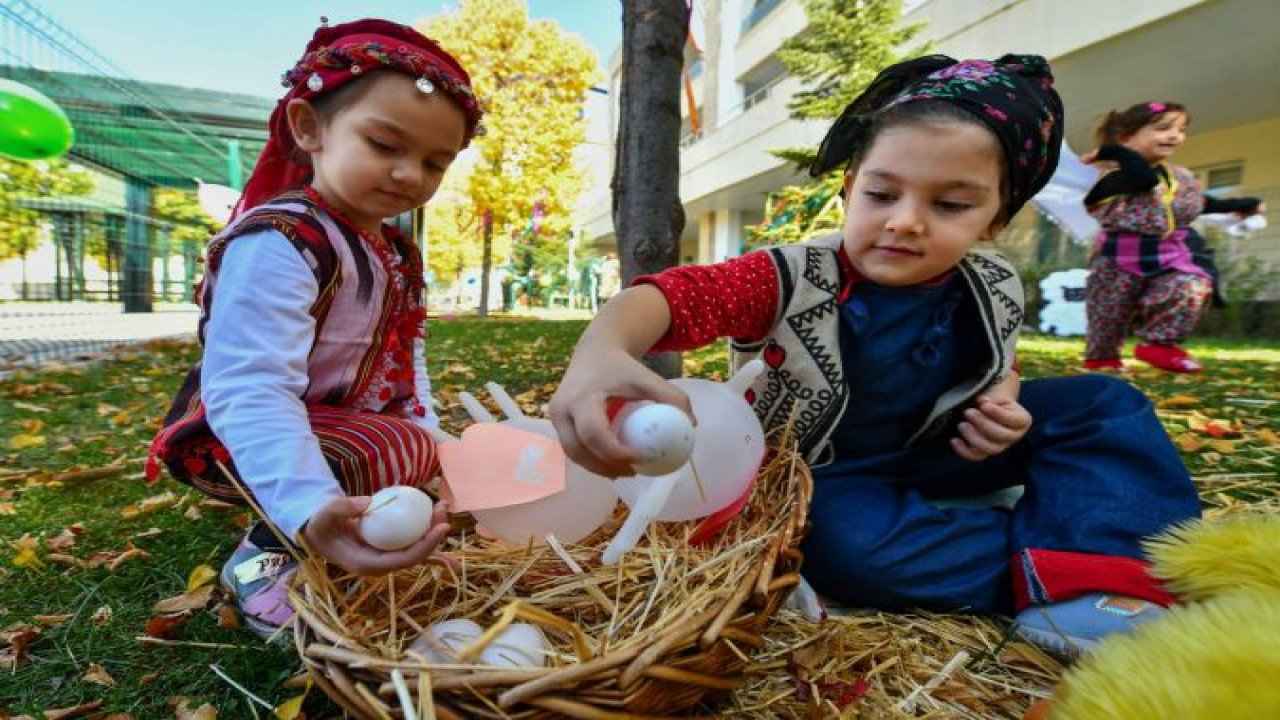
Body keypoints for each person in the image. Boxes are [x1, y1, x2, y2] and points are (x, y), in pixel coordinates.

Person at [549, 55, 1202, 658]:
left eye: (950, 204)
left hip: (945, 450)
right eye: (882, 194)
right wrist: (602, 349)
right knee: (847, 550)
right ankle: (1088, 564)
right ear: (849, 189)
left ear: (996, 219)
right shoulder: (790, 276)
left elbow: (998, 361)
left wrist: (1002, 404)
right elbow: (672, 297)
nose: (905, 221)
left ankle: (1087, 563)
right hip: (830, 480)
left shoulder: (993, 280)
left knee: (1105, 403)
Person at [145, 18, 484, 639]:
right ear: (309, 128)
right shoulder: (279, 241)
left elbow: (408, 358)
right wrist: (307, 504)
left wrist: (434, 443)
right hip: (236, 433)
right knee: (389, 449)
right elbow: (249, 387)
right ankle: (265, 559)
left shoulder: (396, 253)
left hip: (335, 425)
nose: (411, 175)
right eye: (385, 145)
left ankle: (350, 535)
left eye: (435, 163)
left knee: (418, 446)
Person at [1081, 101, 1266, 372]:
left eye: (1181, 130)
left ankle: (1159, 345)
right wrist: (1114, 151)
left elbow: (1200, 203)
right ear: (1125, 136)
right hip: (1117, 257)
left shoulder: (1180, 176)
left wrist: (1246, 203)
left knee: (1192, 283)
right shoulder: (1111, 176)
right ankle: (1102, 358)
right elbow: (1142, 179)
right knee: (1108, 313)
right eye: (1163, 128)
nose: (1175, 136)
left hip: (1168, 253)